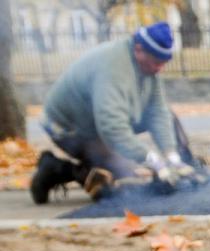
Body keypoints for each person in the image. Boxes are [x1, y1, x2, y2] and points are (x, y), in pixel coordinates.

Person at [30, 21, 199, 204]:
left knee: (168, 116)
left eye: (163, 62)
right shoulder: (113, 68)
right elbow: (112, 128)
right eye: (156, 61)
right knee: (124, 177)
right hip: (70, 128)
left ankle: (183, 167)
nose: (160, 68)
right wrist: (153, 161)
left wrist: (171, 156)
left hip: (99, 120)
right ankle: (54, 169)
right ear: (139, 48)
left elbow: (157, 111)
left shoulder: (147, 66)